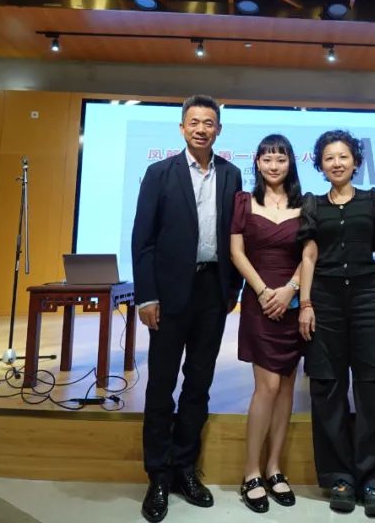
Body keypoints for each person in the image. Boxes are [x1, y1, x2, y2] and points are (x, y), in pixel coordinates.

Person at [131, 95, 243, 523]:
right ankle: (158, 475)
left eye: (208, 123)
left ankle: (184, 468)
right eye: (194, 122)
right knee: (161, 385)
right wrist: (147, 296)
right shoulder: (160, 173)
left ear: (218, 130)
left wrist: (232, 288)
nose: (201, 129)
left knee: (198, 384)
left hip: (212, 291)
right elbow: (143, 240)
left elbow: (237, 236)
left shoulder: (231, 174)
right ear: (182, 128)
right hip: (168, 294)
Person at [297, 130, 375, 517]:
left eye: (343, 156)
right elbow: (308, 256)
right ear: (320, 165)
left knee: (374, 384)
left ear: (355, 161)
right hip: (324, 299)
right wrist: (305, 304)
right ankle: (339, 477)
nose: (337, 163)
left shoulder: (372, 199)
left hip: (367, 297)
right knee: (327, 386)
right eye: (329, 158)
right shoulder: (313, 204)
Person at [229, 134, 306, 513]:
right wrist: (262, 291)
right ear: (257, 163)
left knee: (287, 386)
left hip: (293, 301)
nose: (274, 166)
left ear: (290, 164)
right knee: (267, 387)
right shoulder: (243, 201)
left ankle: (274, 468)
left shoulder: (305, 205)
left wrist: (290, 289)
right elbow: (236, 252)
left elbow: (310, 254)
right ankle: (251, 472)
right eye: (267, 159)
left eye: (281, 159)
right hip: (259, 302)